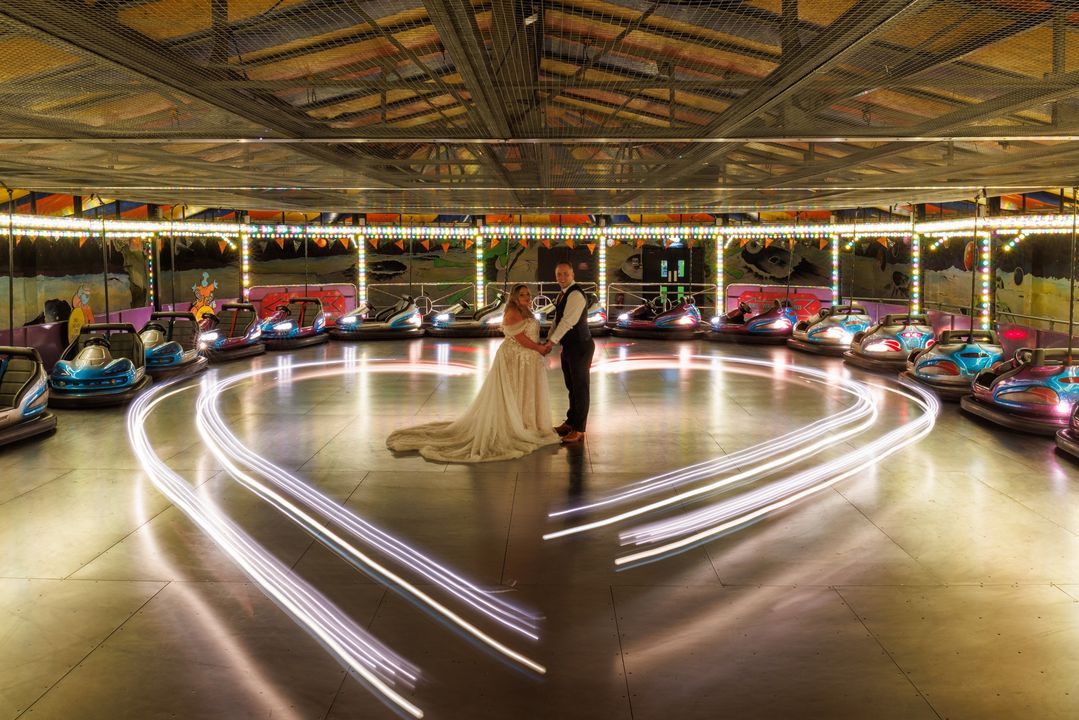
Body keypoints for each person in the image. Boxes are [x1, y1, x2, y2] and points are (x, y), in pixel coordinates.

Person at [386, 284, 559, 463]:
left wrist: (542, 346)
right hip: (516, 358)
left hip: (527, 359)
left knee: (525, 391)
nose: (526, 297)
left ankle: (526, 422)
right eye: (522, 295)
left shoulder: (527, 311)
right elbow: (520, 338)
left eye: (528, 294)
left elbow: (530, 335)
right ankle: (517, 424)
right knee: (514, 389)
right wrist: (539, 348)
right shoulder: (513, 312)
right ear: (514, 297)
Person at [543, 262, 595, 444]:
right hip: (570, 347)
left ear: (573, 275)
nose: (562, 277)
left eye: (565, 274)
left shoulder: (575, 295)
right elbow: (557, 321)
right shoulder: (562, 294)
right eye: (559, 274)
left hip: (581, 346)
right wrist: (548, 339)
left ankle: (579, 429)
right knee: (571, 387)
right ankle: (571, 421)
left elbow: (567, 322)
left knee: (580, 388)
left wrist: (550, 343)